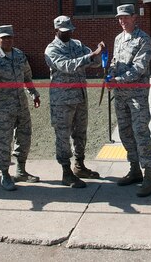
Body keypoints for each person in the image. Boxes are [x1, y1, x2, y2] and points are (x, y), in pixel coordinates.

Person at [44, 16, 104, 188]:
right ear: (56, 31)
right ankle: (66, 172)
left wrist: (98, 54)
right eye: (64, 31)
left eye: (70, 30)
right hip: (62, 101)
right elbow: (68, 66)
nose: (68, 33)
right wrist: (92, 55)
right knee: (63, 136)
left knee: (80, 133)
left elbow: (93, 63)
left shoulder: (77, 44)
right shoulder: (51, 50)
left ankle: (79, 165)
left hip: (80, 97)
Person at [0, 25, 41, 191]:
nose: (7, 40)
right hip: (2, 109)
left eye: (10, 37)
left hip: (21, 105)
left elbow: (27, 76)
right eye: (3, 37)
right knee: (3, 142)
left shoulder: (19, 55)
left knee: (24, 138)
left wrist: (33, 93)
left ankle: (21, 170)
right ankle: (5, 174)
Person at [108, 4, 151, 197]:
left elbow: (139, 68)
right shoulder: (118, 39)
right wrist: (110, 73)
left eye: (126, 17)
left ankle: (149, 176)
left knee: (141, 133)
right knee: (125, 133)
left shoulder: (143, 39)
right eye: (119, 18)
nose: (122, 21)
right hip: (120, 97)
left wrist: (117, 80)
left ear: (134, 17)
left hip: (137, 97)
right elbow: (114, 61)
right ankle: (135, 169)